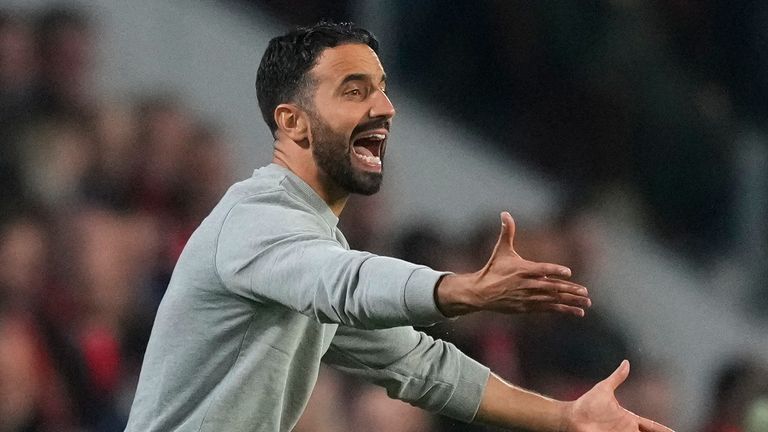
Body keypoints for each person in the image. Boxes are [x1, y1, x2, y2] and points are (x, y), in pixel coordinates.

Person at [125, 21, 673, 432]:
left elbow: (420, 364)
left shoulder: (308, 239)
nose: (386, 107)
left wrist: (564, 418)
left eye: (382, 88)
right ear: (292, 121)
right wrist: (460, 290)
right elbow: (343, 284)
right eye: (354, 91)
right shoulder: (255, 219)